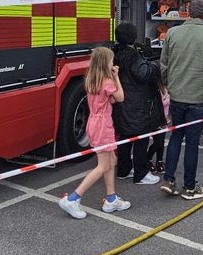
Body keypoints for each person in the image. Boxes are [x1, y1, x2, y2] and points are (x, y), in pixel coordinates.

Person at [159, 0, 203, 200]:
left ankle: (169, 180)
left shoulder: (172, 33)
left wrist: (168, 85)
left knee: (176, 137)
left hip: (177, 94)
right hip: (199, 95)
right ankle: (190, 187)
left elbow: (164, 64)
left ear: (187, 12)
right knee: (192, 142)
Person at [58, 47, 131, 218]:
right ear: (106, 63)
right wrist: (116, 77)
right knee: (103, 165)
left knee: (111, 159)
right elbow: (120, 97)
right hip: (103, 125)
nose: (114, 64)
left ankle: (112, 198)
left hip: (94, 122)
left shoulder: (92, 79)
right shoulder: (107, 81)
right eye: (112, 61)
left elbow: (107, 98)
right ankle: (73, 198)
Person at [111, 23, 162, 185]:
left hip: (122, 102)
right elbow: (143, 73)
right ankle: (141, 173)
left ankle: (123, 170)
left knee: (125, 136)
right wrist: (155, 66)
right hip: (138, 104)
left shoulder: (114, 53)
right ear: (133, 37)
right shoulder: (133, 56)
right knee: (141, 138)